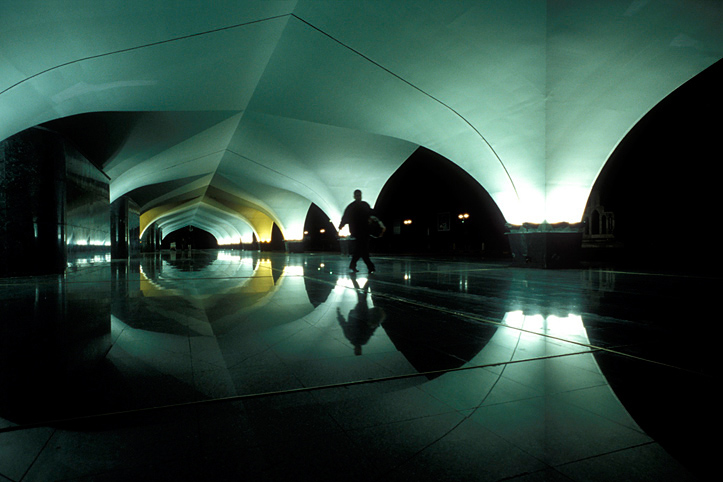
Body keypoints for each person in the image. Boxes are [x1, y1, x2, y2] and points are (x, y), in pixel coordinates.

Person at [339, 189, 385, 273]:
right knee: (363, 248)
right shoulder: (358, 206)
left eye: (359, 195)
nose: (358, 197)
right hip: (359, 230)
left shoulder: (358, 206)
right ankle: (370, 267)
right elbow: (346, 217)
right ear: (354, 196)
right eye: (357, 195)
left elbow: (370, 213)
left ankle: (355, 265)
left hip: (363, 230)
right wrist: (341, 226)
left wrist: (341, 226)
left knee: (361, 248)